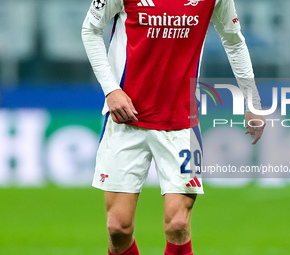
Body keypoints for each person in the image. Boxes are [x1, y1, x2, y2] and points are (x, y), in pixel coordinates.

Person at [82, 0, 265, 254]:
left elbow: (233, 40)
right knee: (118, 228)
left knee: (178, 224)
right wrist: (111, 89)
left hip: (181, 125)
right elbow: (90, 29)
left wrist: (252, 100)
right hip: (125, 121)